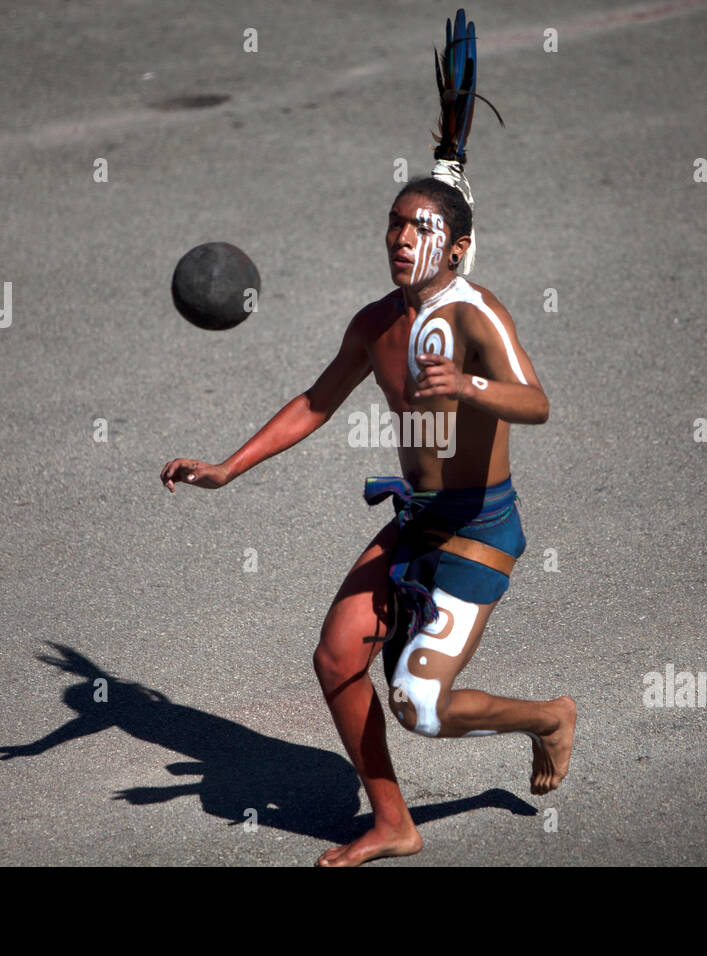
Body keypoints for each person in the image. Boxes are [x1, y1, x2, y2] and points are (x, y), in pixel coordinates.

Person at [160, 175, 575, 866]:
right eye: (394, 224)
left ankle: (547, 718)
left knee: (420, 706)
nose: (402, 239)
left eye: (419, 228)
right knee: (336, 657)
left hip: (478, 526)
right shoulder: (376, 323)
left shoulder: (476, 313)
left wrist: (469, 384)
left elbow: (536, 402)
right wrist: (228, 468)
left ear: (458, 247)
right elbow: (316, 402)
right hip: (415, 520)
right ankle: (393, 824)